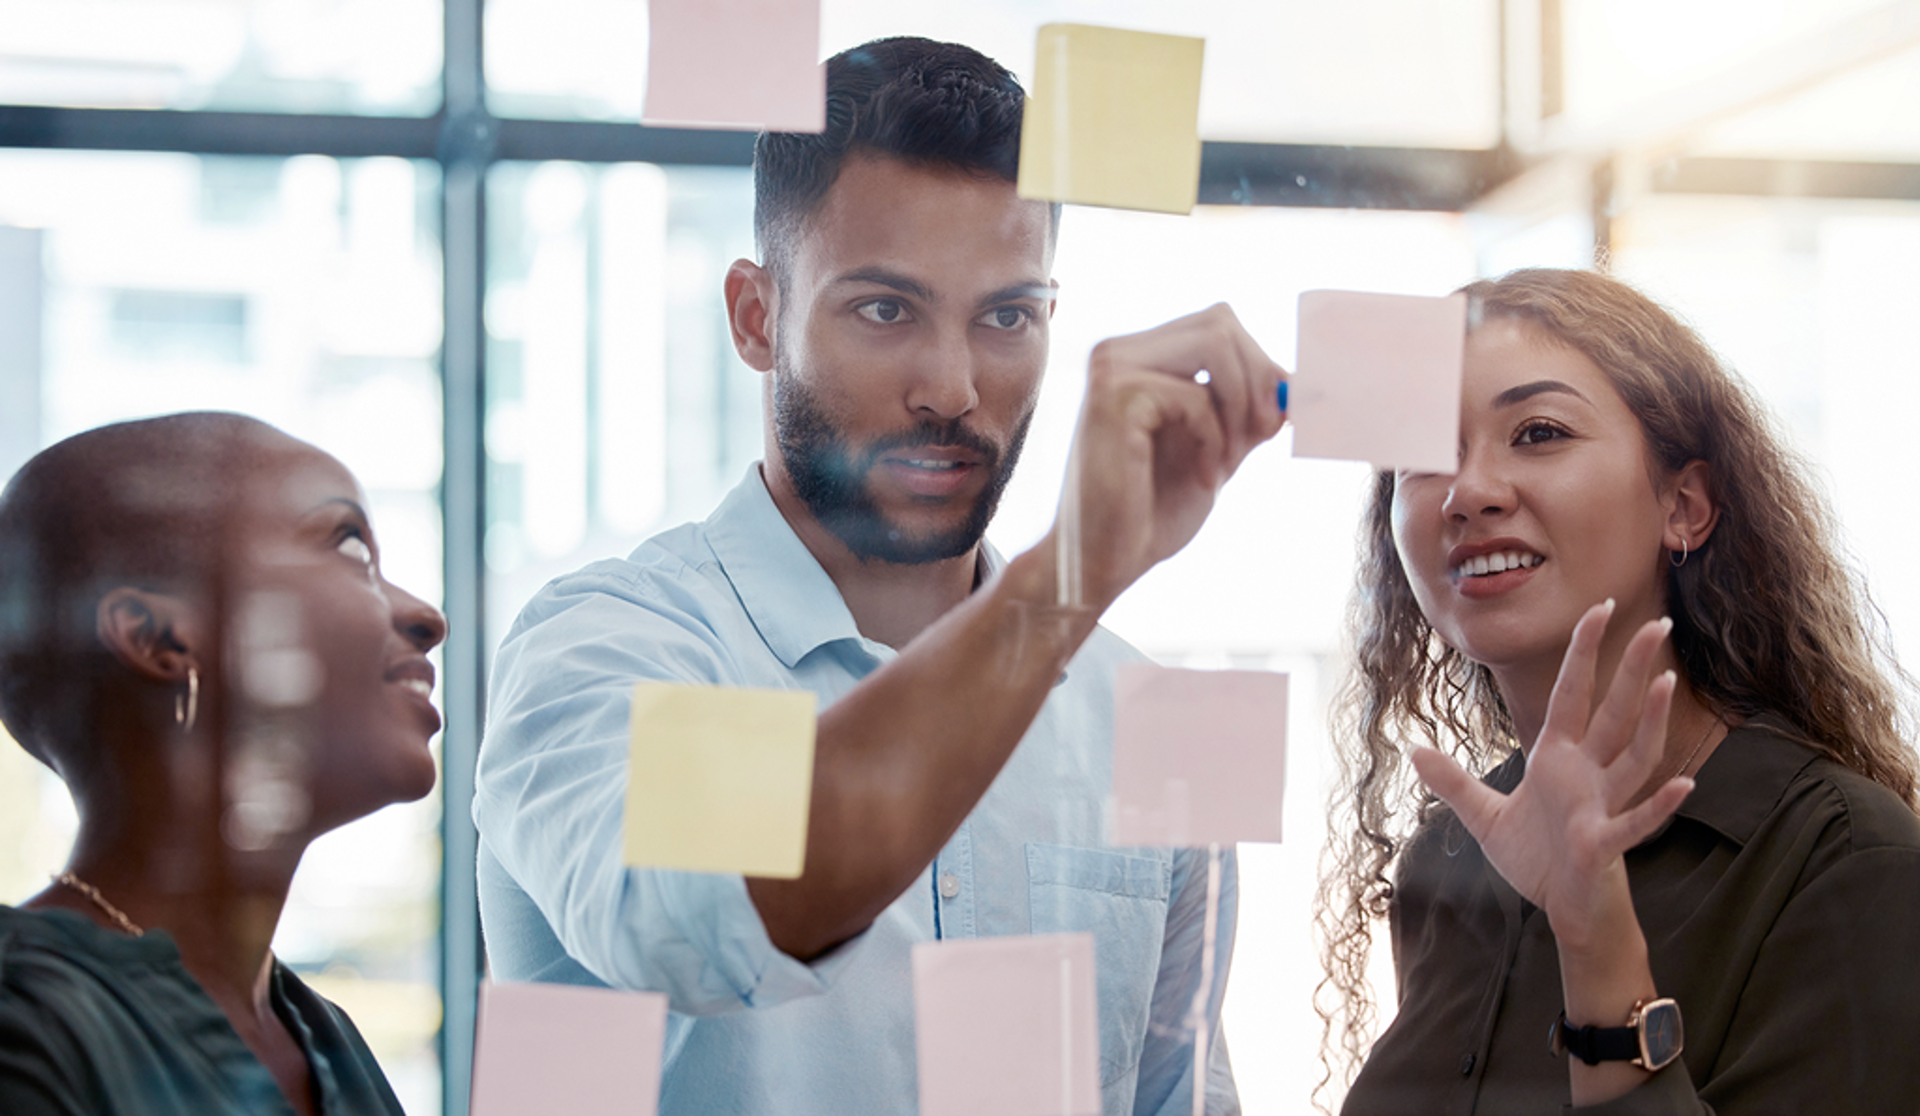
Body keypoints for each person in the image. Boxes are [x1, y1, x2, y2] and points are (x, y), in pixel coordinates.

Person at [473, 35, 1285, 1115]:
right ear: (756, 315)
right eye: (885, 310)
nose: (951, 387)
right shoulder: (618, 649)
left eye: (1007, 316)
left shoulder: (1141, 712)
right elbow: (723, 912)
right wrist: (1067, 583)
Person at [1317, 268, 1920, 1113]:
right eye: (1425, 455)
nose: (1468, 492)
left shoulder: (1845, 858)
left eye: (1538, 432)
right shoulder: (1447, 860)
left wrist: (1595, 935)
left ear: (1686, 506)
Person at [0, 413, 448, 1115]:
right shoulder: (24, 1022)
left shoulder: (326, 1039)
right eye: (352, 549)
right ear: (160, 639)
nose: (427, 616)